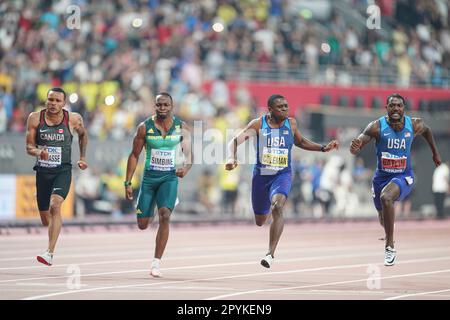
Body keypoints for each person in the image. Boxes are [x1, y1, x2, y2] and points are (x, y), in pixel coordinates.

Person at [225, 94, 339, 268]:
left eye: (286, 106)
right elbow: (234, 141)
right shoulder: (258, 124)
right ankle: (269, 208)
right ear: (270, 109)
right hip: (262, 177)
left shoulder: (291, 123)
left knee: (278, 206)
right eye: (280, 107)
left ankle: (270, 254)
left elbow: (300, 141)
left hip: (282, 175)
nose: (285, 109)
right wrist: (231, 158)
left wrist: (323, 148)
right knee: (260, 220)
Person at [350, 93, 441, 266]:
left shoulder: (414, 124)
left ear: (403, 108)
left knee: (387, 197)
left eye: (399, 106)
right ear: (387, 108)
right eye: (392, 106)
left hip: (403, 175)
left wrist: (435, 153)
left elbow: (428, 131)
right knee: (382, 217)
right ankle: (388, 234)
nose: (396, 109)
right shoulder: (376, 127)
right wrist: (354, 147)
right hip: (381, 177)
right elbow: (358, 144)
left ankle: (389, 246)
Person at [125, 92, 192, 277]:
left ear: (172, 106)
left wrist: (185, 169)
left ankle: (156, 263)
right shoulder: (144, 127)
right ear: (155, 106)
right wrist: (128, 182)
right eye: (159, 105)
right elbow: (134, 155)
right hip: (149, 180)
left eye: (165, 105)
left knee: (165, 216)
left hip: (169, 178)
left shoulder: (181, 127)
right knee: (142, 224)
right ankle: (154, 203)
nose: (162, 108)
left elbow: (189, 155)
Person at [25, 87, 88, 266]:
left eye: (57, 101)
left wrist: (82, 157)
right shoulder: (35, 118)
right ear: (46, 100)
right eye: (50, 100)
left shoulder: (74, 119)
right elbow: (28, 147)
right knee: (46, 220)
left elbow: (83, 135)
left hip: (63, 171)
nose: (53, 104)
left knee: (55, 205)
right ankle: (50, 218)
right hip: (43, 173)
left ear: (64, 103)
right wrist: (38, 151)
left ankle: (49, 253)